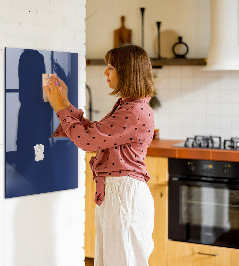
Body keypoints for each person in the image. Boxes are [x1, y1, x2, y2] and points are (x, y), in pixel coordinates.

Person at [43, 44, 156, 266]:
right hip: (118, 193)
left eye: (111, 67)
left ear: (127, 71)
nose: (105, 72)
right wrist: (65, 104)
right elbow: (95, 134)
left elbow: (87, 141)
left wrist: (59, 108)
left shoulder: (133, 111)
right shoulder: (129, 106)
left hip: (124, 195)